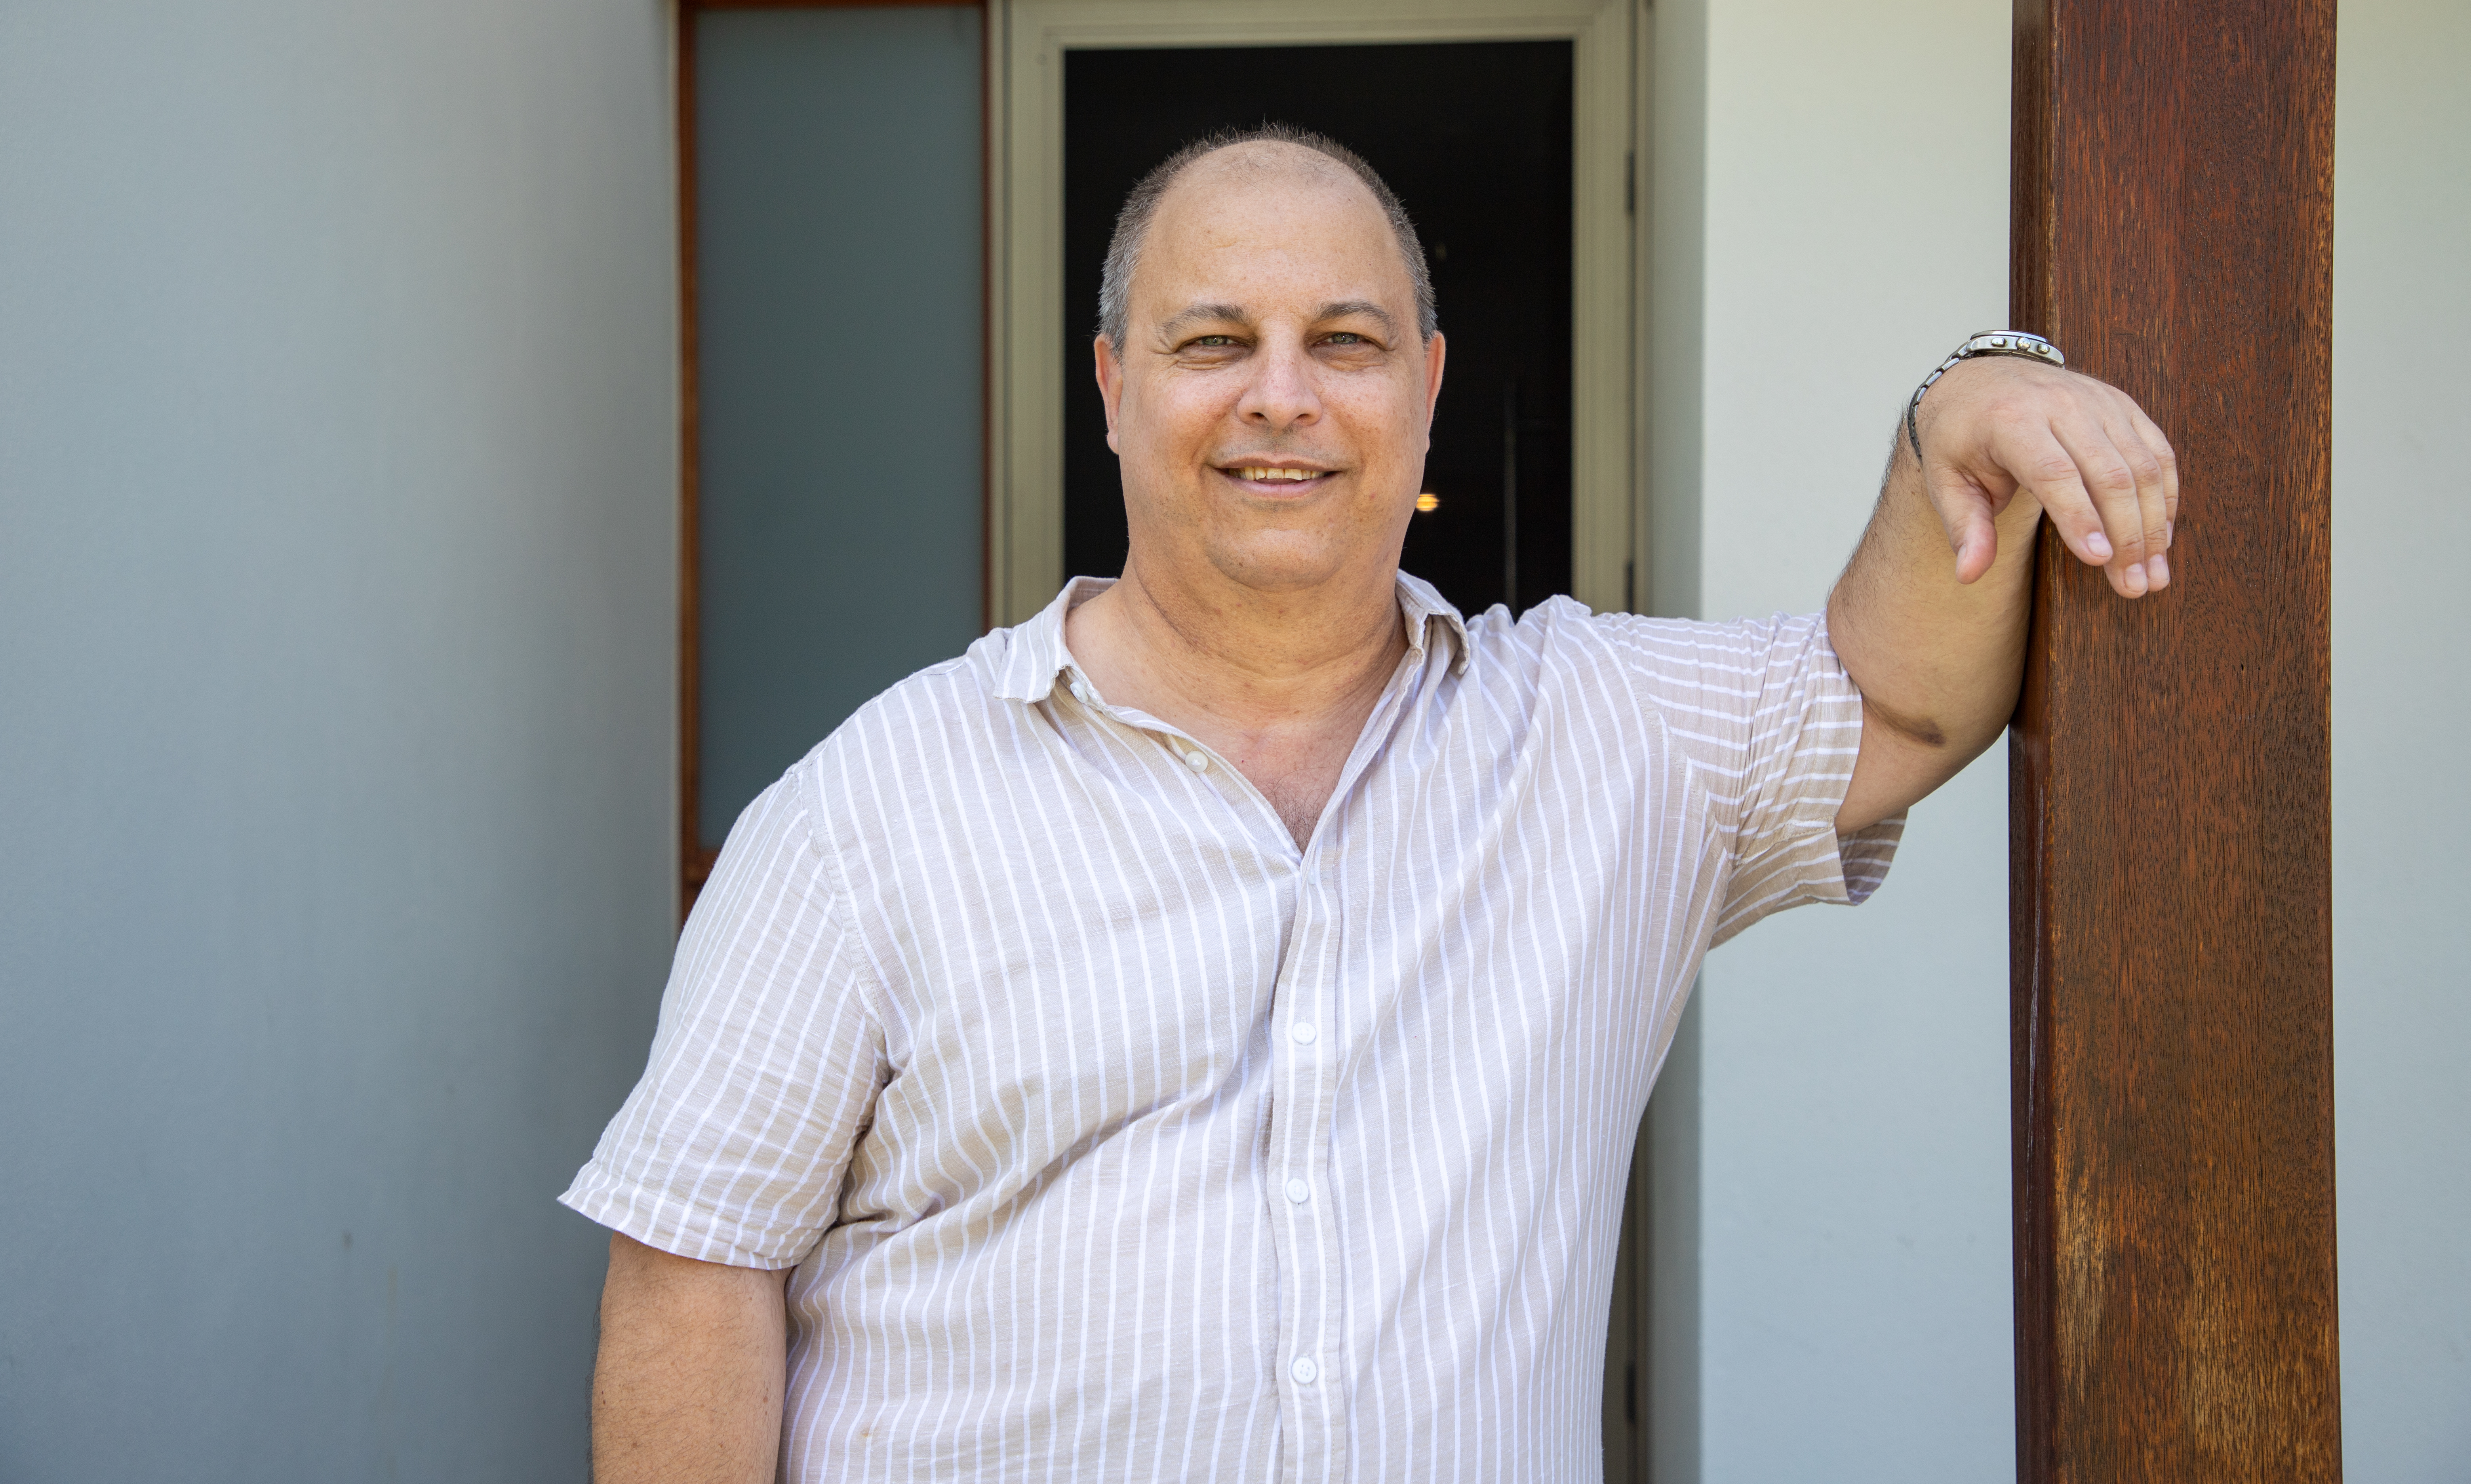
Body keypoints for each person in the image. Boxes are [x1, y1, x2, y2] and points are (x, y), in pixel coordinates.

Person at [565, 126, 2177, 1483]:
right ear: (1115, 387)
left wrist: (1973, 400)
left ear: (1427, 387)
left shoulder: (1604, 737)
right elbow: (693, 1276)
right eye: (1214, 343)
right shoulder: (865, 811)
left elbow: (1900, 695)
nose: (1283, 395)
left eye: (1345, 341)